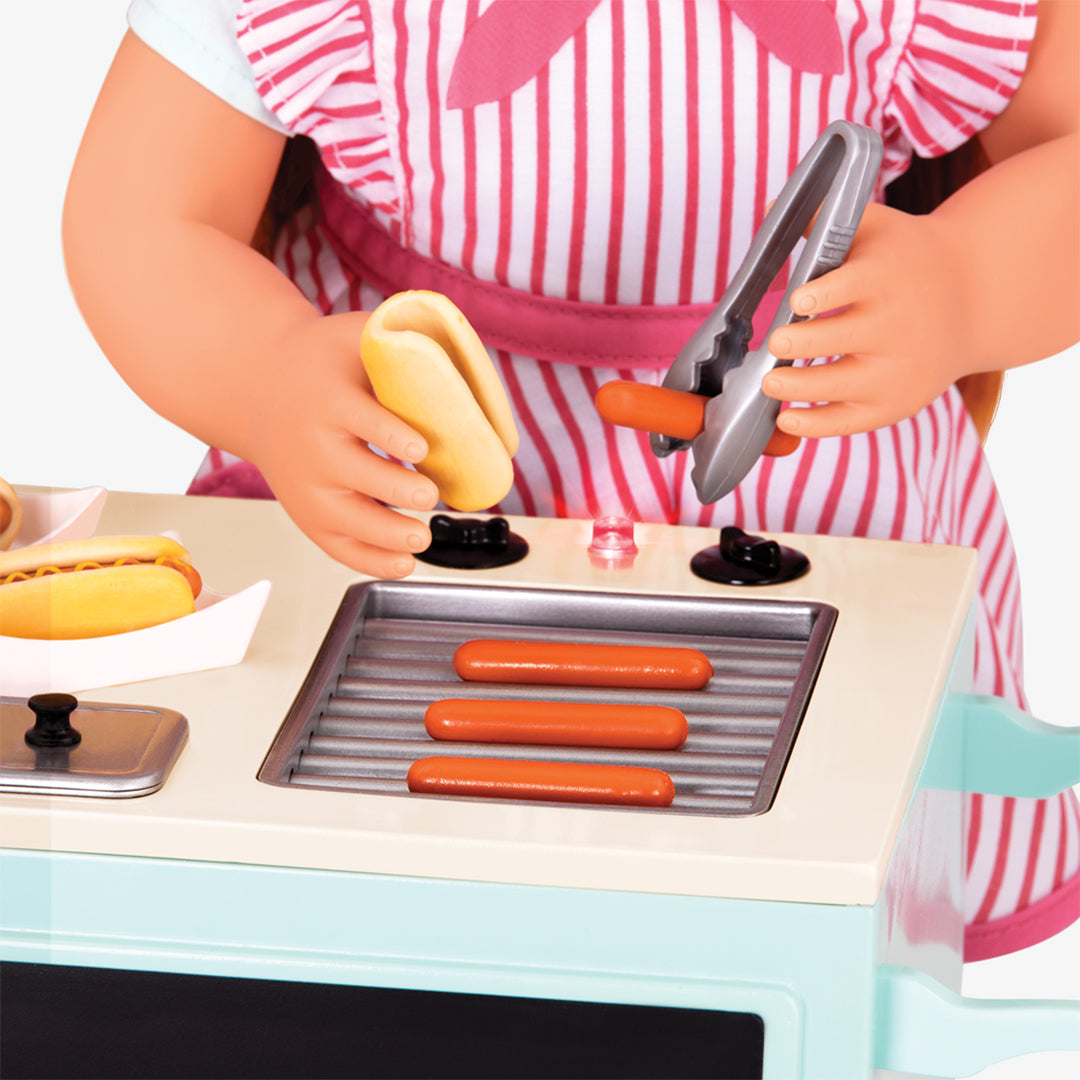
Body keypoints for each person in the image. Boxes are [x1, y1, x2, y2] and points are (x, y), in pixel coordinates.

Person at [63, 0, 1077, 962]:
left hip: (814, 456)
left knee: (805, 904)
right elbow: (146, 215)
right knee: (362, 916)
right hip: (410, 461)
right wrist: (266, 374)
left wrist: (966, 280)